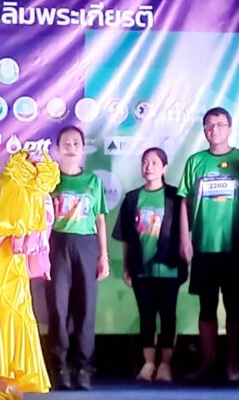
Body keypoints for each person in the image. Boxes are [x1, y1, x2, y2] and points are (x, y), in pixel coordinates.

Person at [113, 148, 187, 382]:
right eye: (145, 162)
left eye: (155, 163)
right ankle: (148, 364)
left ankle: (165, 365)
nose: (149, 167)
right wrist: (127, 267)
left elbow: (185, 232)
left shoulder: (175, 197)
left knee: (168, 316)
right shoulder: (132, 198)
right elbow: (126, 238)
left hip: (170, 267)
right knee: (146, 315)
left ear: (165, 168)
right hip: (140, 269)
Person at [178, 107, 239, 382]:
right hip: (203, 246)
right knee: (206, 306)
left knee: (236, 308)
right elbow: (184, 201)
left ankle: (233, 366)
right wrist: (184, 237)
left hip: (234, 247)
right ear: (204, 130)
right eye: (210, 125)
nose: (215, 129)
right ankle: (208, 364)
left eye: (220, 124)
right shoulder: (195, 161)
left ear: (230, 128)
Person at [47, 125, 109, 390]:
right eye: (66, 143)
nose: (71, 147)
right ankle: (59, 366)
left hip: (86, 245)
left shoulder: (92, 181)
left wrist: (103, 255)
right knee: (58, 308)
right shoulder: (49, 180)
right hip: (57, 244)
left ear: (83, 148)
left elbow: (100, 219)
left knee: (85, 309)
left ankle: (83, 367)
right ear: (57, 149)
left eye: (76, 143)